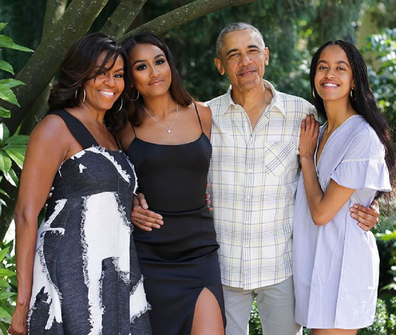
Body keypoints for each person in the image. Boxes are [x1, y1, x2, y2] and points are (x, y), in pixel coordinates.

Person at [131, 23, 380, 335]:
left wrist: (369, 205)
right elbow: (166, 169)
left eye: (251, 51)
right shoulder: (204, 118)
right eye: (233, 54)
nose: (244, 61)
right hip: (223, 269)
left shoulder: (302, 115)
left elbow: (338, 168)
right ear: (220, 66)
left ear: (266, 56)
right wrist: (132, 198)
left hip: (282, 269)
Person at [9, 32, 151, 335]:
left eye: (118, 75)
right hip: (70, 279)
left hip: (115, 276)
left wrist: (133, 202)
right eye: (101, 74)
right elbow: (25, 215)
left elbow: (104, 195)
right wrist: (22, 306)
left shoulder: (112, 133)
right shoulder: (55, 127)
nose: (111, 83)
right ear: (80, 75)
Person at [109, 32, 225, 335]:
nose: (154, 72)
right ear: (130, 78)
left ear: (170, 65)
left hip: (200, 249)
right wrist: (128, 203)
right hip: (150, 253)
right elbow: (108, 179)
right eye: (141, 66)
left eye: (159, 61)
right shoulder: (123, 128)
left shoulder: (203, 114)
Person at [293, 40, 395, 334]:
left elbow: (322, 213)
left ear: (353, 81)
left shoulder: (361, 135)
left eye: (341, 68)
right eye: (322, 67)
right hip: (315, 262)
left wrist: (305, 158)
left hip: (342, 268)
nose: (329, 74)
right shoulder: (319, 132)